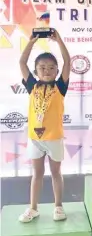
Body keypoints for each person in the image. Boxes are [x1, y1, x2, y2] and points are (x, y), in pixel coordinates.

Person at [18, 29, 71, 223]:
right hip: (35, 139)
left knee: (56, 173)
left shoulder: (60, 86)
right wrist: (31, 42)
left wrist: (59, 41)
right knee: (37, 174)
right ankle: (33, 208)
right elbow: (22, 62)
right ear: (36, 71)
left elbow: (68, 62)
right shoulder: (32, 85)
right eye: (42, 67)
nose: (46, 70)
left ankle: (58, 206)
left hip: (54, 137)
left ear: (57, 71)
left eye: (51, 67)